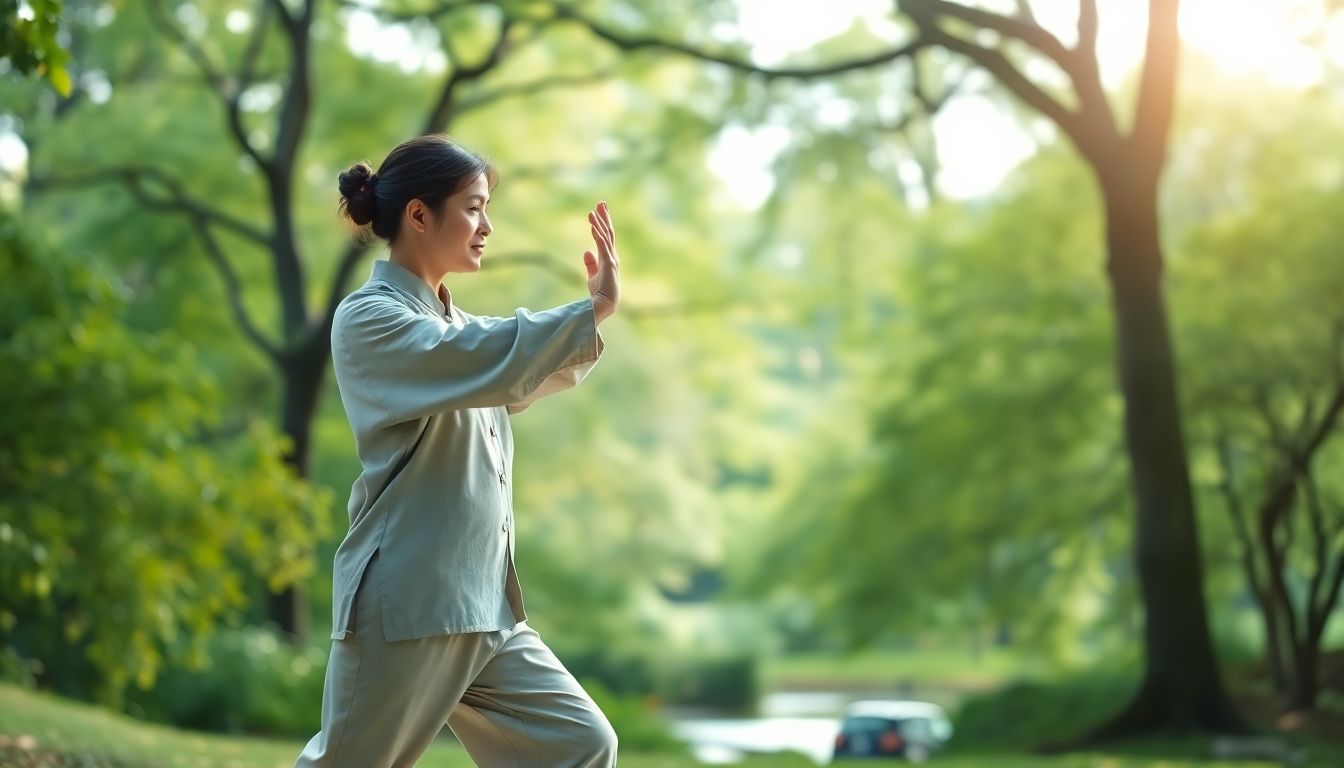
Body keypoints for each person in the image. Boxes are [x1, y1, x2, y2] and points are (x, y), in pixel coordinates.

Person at [295, 134, 621, 768]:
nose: (486, 225)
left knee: (579, 745)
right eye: (473, 207)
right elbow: (485, 360)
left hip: (486, 610)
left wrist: (587, 322)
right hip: (410, 605)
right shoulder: (370, 318)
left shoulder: (460, 328)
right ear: (419, 215)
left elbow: (522, 375)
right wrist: (590, 311)